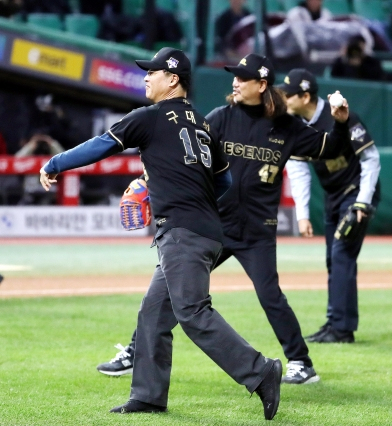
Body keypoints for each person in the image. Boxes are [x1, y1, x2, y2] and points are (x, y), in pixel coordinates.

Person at [39, 47, 282, 420]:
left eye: (152, 72)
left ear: (173, 79)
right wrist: (179, 191)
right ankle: (149, 395)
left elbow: (101, 145)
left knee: (193, 313)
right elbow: (225, 182)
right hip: (207, 231)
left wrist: (55, 163)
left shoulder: (150, 118)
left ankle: (261, 371)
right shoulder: (204, 125)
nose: (146, 77)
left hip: (183, 233)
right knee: (153, 314)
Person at [96, 53, 352, 384]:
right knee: (165, 292)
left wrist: (341, 122)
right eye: (234, 75)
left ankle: (301, 363)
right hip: (212, 225)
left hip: (256, 230)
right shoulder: (220, 117)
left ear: (262, 85)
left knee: (269, 295)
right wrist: (147, 182)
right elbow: (181, 153)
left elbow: (331, 148)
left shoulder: (286, 126)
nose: (235, 81)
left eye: (243, 77)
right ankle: (134, 351)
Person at [278, 69, 381, 343]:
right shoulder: (296, 125)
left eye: (288, 94)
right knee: (332, 260)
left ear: (305, 96)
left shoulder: (341, 115)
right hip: (334, 196)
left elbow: (371, 159)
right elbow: (298, 170)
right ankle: (335, 323)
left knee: (341, 256)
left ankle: (342, 329)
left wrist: (363, 201)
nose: (284, 98)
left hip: (356, 193)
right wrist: (302, 215)